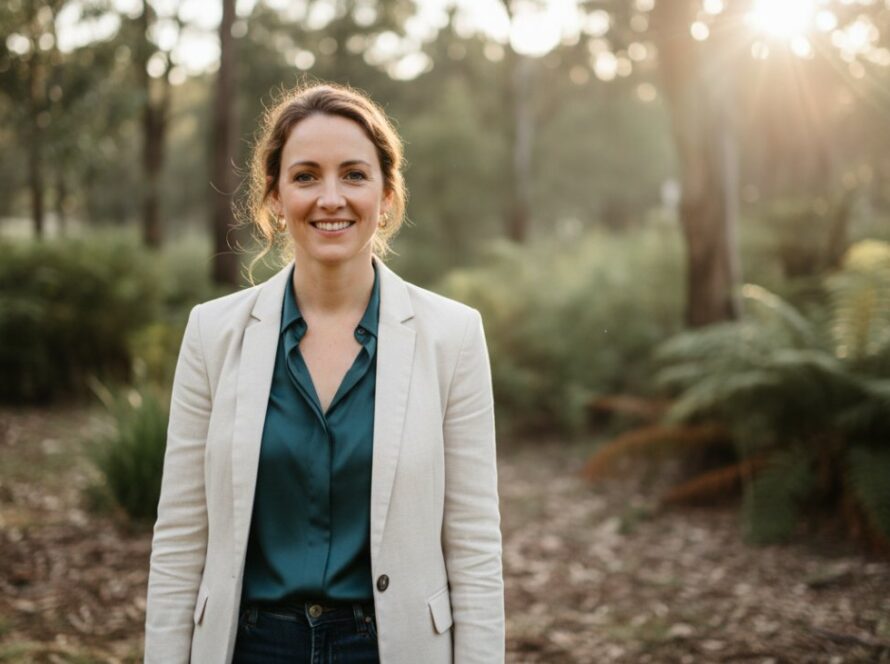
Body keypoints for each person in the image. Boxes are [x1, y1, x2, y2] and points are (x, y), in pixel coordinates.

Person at [143, 82, 504, 664]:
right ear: (275, 199)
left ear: (387, 194)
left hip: (392, 647)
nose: (330, 197)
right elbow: (181, 539)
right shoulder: (212, 333)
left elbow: (473, 545)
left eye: (354, 175)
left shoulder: (453, 336)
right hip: (249, 647)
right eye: (306, 175)